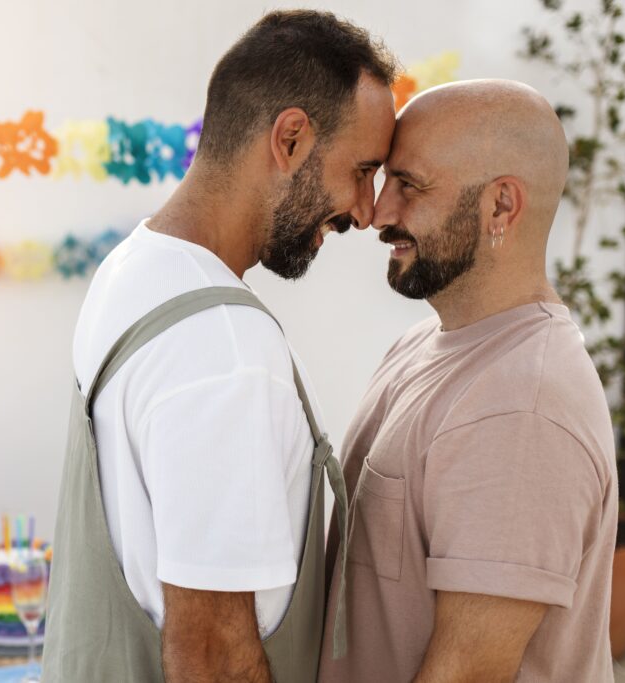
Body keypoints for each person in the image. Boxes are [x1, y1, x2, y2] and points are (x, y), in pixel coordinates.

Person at [42, 9, 398, 683]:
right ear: (290, 138)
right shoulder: (225, 349)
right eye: (362, 170)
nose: (364, 209)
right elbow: (210, 655)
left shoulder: (132, 268)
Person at [318, 79, 618, 683]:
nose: (378, 213)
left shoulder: (520, 408)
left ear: (501, 206)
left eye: (411, 185)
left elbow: (468, 673)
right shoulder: (428, 343)